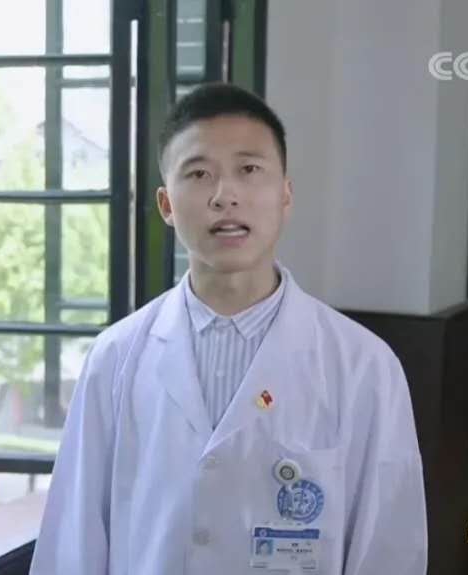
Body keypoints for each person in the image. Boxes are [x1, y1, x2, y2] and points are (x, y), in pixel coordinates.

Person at [30, 83, 428, 574]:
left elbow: (388, 547)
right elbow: (73, 542)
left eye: (249, 170)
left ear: (285, 194)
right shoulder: (114, 358)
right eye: (199, 174)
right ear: (166, 205)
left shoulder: (364, 365)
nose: (226, 196)